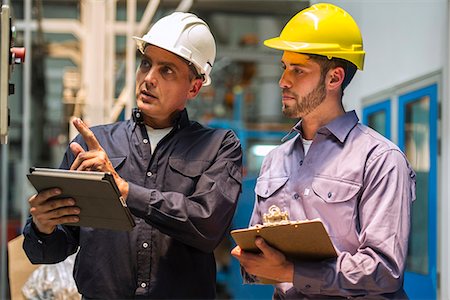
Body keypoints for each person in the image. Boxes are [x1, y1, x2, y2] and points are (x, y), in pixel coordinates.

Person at [23, 12, 242, 299]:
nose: (149, 78)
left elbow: (207, 225)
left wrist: (124, 190)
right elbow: (53, 249)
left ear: (194, 87)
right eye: (146, 64)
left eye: (167, 70)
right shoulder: (95, 144)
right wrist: (43, 227)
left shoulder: (219, 146)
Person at [231, 3, 416, 299]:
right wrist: (254, 260)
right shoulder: (275, 161)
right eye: (284, 68)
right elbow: (260, 257)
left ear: (334, 78)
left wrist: (292, 272)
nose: (283, 81)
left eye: (298, 70)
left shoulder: (380, 159)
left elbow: (384, 271)